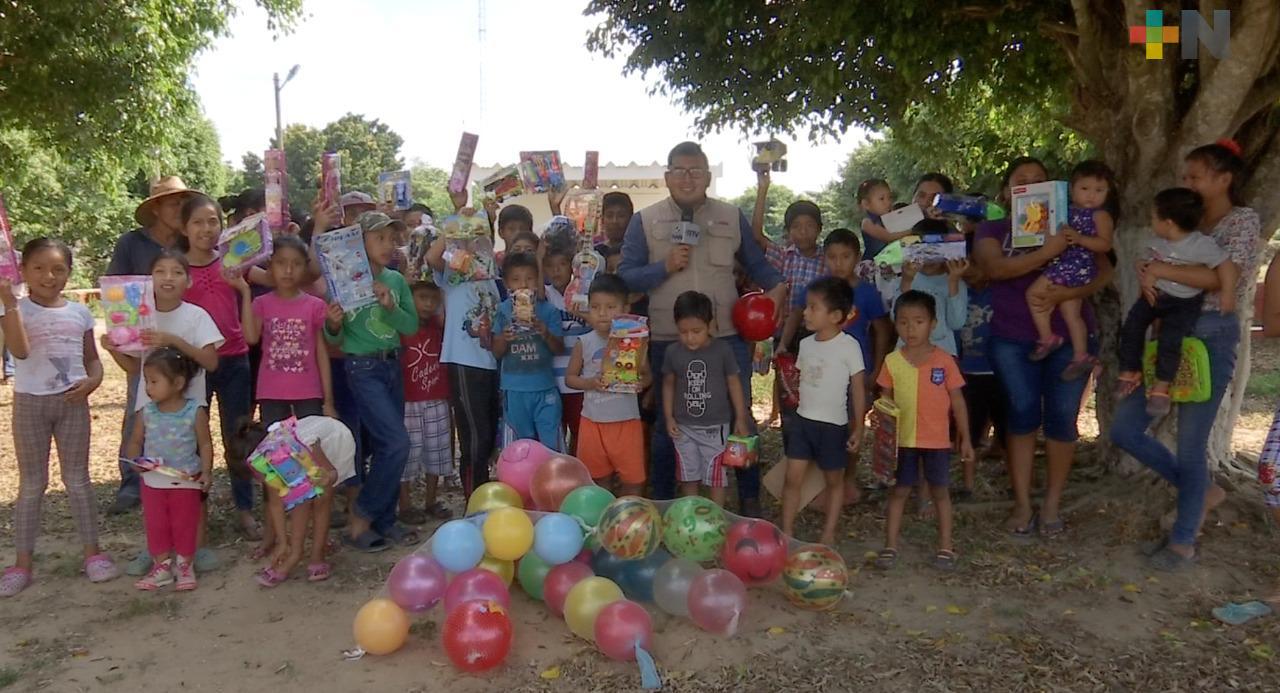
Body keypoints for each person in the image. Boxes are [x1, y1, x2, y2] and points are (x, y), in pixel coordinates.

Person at [1110, 140, 1260, 571]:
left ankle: (1183, 541)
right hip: (1167, 338)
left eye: (1195, 176)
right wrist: (1148, 272)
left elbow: (1219, 277)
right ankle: (1200, 492)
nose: (1187, 183)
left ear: (1223, 179)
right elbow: (1156, 264)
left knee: (1192, 445)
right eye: (1186, 176)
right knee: (1125, 428)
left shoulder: (1241, 221)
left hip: (1211, 337)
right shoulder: (1180, 221)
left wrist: (1159, 271)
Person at [619, 140, 787, 515]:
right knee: (668, 425)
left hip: (726, 338)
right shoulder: (643, 221)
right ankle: (664, 505)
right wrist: (663, 266)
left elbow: (759, 266)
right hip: (668, 338)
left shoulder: (730, 215)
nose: (687, 178)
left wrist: (777, 287)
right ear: (667, 176)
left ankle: (747, 505)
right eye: (679, 170)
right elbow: (626, 278)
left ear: (708, 176)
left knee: (740, 420)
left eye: (695, 171)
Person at [975, 156, 1112, 538]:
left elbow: (1105, 269)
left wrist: (1072, 291)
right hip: (1012, 338)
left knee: (1062, 419)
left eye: (1041, 179)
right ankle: (1022, 503)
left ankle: (1051, 504)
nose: (1032, 184)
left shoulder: (1073, 224)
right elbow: (995, 269)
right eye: (1022, 180)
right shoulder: (993, 228)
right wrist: (1049, 250)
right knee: (1020, 417)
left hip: (1070, 338)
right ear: (1007, 191)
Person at [0, 239, 118, 597]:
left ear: (69, 272)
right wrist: (9, 305)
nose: (49, 276)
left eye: (58, 269)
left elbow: (92, 358)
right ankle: (22, 563)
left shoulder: (80, 313)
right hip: (30, 404)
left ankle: (93, 554)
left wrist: (94, 382)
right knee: (33, 484)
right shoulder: (15, 309)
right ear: (24, 271)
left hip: (72, 404)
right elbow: (19, 351)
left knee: (78, 480)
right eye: (38, 268)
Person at [100, 250, 224, 576]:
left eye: (176, 272)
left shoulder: (196, 316)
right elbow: (133, 367)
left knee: (192, 480)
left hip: (188, 412)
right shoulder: (139, 314)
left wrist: (172, 339)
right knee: (153, 483)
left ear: (189, 280)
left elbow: (210, 361)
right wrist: (113, 349)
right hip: (150, 410)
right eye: (160, 271)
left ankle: (197, 546)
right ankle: (156, 550)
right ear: (149, 279)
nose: (168, 278)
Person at [324, 212, 420, 552]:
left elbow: (410, 327)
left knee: (386, 446)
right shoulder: (342, 280)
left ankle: (385, 520)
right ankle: (361, 515)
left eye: (391, 239)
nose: (388, 245)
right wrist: (333, 323)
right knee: (397, 443)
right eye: (378, 238)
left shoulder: (395, 280)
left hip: (392, 366)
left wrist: (392, 306)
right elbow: (333, 337)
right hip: (362, 368)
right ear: (358, 243)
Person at [106, 176, 199, 514]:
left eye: (183, 203)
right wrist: (120, 345)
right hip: (142, 341)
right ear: (156, 208)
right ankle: (131, 482)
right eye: (174, 203)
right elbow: (115, 289)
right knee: (139, 410)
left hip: (184, 337)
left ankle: (184, 476)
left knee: (186, 411)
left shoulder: (190, 241)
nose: (180, 209)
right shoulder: (131, 244)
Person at [781, 228, 890, 502]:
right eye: (832, 257)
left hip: (855, 371)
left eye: (845, 256)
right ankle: (820, 485)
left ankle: (848, 481)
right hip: (821, 372)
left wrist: (877, 368)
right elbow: (796, 313)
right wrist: (783, 343)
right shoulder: (817, 290)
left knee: (853, 423)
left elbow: (882, 330)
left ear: (857, 257)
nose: (838, 263)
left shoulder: (866, 293)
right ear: (824, 257)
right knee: (819, 424)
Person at [178, 193, 259, 540]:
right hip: (193, 364)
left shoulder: (233, 261)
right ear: (184, 228)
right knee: (194, 440)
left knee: (237, 437)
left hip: (235, 359)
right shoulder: (175, 269)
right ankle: (197, 512)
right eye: (197, 222)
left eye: (213, 221)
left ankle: (245, 509)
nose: (206, 229)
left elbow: (271, 275)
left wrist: (242, 288)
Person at [875, 291, 973, 571]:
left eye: (918, 321)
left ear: (933, 324)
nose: (911, 328)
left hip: (937, 441)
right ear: (896, 325)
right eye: (903, 322)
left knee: (940, 493)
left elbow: (958, 402)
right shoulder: (892, 361)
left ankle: (945, 546)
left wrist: (965, 438)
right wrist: (882, 437)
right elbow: (885, 401)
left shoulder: (944, 360)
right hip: (902, 441)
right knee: (900, 492)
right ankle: (890, 546)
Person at [1116, 188, 1235, 417]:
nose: (1151, 221)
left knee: (1170, 341)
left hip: (1183, 302)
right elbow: (1147, 260)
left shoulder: (1200, 245)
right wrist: (1141, 266)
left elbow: (1226, 265)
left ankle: (1161, 388)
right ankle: (1128, 370)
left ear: (1168, 222)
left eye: (1153, 217)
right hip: (1155, 295)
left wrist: (1227, 293)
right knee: (1132, 326)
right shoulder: (1158, 241)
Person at [780, 277, 866, 546]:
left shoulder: (849, 346)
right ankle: (786, 530)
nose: (805, 312)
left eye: (813, 307)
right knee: (792, 477)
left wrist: (859, 426)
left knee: (834, 481)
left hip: (833, 426)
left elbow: (858, 389)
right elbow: (801, 379)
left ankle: (828, 533)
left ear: (835, 316)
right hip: (803, 422)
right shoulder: (805, 344)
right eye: (807, 306)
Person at [426, 203, 501, 498]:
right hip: (463, 363)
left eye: (479, 239)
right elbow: (432, 257)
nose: (473, 244)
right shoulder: (452, 277)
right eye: (466, 240)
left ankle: (485, 494)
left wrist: (486, 220)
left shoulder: (493, 279)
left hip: (492, 362)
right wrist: (457, 220)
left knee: (487, 434)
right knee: (474, 436)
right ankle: (474, 500)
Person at [124, 348, 214, 592]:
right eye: (146, 381)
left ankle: (185, 565)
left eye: (154, 381)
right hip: (153, 481)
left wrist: (206, 472)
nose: (148, 388)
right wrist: (135, 460)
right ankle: (161, 567)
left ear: (177, 383)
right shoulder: (147, 412)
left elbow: (205, 444)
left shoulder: (194, 411)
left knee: (185, 523)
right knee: (156, 524)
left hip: (186, 481)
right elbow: (134, 441)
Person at [232, 416, 351, 586]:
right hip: (302, 462)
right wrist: (282, 542)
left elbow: (331, 473)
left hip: (333, 446)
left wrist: (326, 479)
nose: (261, 479)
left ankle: (317, 555)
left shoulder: (305, 442)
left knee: (321, 500)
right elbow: (276, 504)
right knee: (299, 499)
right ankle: (294, 552)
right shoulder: (268, 462)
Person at [1027, 161, 1117, 379]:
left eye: (1099, 190)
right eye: (1084, 189)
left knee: (1033, 295)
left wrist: (1079, 239)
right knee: (1071, 314)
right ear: (1072, 189)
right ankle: (1080, 355)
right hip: (1065, 262)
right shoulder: (1062, 209)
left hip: (1075, 265)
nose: (1091, 196)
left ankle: (1048, 337)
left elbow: (1105, 244)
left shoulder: (1100, 216)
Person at [662, 291, 751, 507]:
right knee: (687, 474)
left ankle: (717, 517)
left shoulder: (722, 350)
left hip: (715, 427)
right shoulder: (673, 352)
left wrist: (741, 417)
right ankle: (689, 513)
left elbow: (734, 384)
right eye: (683, 332)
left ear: (710, 326)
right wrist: (669, 417)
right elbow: (668, 384)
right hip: (683, 426)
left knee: (717, 476)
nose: (690, 337)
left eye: (696, 331)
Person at [565, 274, 650, 496]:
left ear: (626, 308)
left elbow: (647, 374)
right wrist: (591, 383)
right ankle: (602, 520)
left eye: (611, 307)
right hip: (593, 422)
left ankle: (629, 520)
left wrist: (642, 383)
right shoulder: (584, 342)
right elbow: (570, 379)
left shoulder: (635, 342)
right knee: (597, 479)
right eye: (595, 307)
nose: (602, 313)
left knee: (632, 480)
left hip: (626, 421)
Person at [244, 236, 335, 423]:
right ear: (270, 266)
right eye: (280, 263)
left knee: (310, 447)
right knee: (278, 450)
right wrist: (245, 292)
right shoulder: (261, 303)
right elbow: (251, 337)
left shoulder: (315, 306)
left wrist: (329, 401)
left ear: (305, 267)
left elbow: (321, 354)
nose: (288, 270)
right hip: (271, 393)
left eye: (296, 264)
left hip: (309, 393)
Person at [491, 252, 566, 448]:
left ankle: (551, 477)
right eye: (516, 279)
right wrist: (504, 339)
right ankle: (519, 479)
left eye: (529, 278)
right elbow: (496, 352)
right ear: (507, 284)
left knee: (551, 444)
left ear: (537, 281)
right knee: (520, 445)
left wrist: (545, 332)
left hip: (544, 387)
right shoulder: (502, 310)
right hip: (515, 389)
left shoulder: (548, 311)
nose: (523, 284)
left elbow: (558, 349)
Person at [398, 281, 454, 524]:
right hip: (408, 402)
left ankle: (431, 501)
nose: (428, 304)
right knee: (407, 454)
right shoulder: (400, 329)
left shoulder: (440, 327)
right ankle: (405, 505)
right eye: (422, 298)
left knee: (438, 451)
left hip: (437, 399)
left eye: (433, 299)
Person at [957, 260, 1007, 494]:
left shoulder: (999, 291)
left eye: (972, 265)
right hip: (969, 371)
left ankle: (1017, 480)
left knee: (1008, 428)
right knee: (970, 430)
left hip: (1000, 370)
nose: (968, 271)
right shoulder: (958, 291)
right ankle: (967, 485)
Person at [892, 220, 969, 356]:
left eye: (936, 250)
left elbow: (956, 323)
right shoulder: (906, 278)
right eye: (921, 250)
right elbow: (895, 317)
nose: (929, 258)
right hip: (906, 356)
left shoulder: (955, 281)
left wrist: (953, 282)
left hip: (943, 355)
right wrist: (907, 280)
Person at [543, 246, 591, 453]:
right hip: (553, 380)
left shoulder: (583, 292)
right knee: (556, 432)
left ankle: (578, 470)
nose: (556, 271)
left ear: (572, 267)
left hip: (579, 380)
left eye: (561, 265)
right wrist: (539, 252)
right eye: (550, 266)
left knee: (580, 431)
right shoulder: (546, 295)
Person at [856, 178, 900, 261]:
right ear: (866, 204)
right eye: (881, 199)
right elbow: (888, 237)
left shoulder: (888, 218)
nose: (888, 202)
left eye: (889, 198)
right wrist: (912, 230)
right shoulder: (867, 222)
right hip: (872, 263)